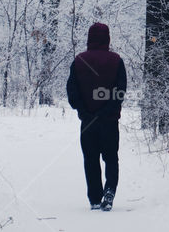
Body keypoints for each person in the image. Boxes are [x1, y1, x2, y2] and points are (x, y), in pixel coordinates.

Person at [66, 22, 127, 211]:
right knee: (111, 157)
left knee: (90, 159)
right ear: (107, 38)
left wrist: (83, 111)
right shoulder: (116, 60)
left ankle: (94, 198)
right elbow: (120, 90)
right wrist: (107, 110)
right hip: (109, 121)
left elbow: (72, 90)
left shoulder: (79, 61)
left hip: (88, 121)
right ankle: (109, 191)